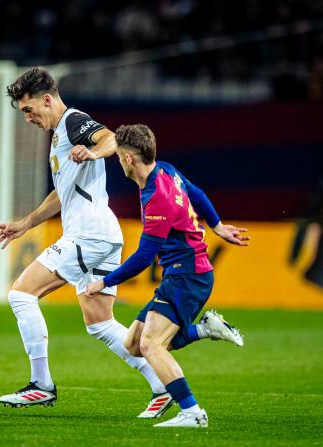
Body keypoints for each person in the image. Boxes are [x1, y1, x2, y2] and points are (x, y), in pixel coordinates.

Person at [0, 67, 182, 417]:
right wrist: (25, 224)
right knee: (100, 324)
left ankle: (41, 385)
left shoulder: (73, 121)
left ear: (47, 100)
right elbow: (61, 195)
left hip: (89, 234)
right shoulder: (59, 135)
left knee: (21, 295)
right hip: (101, 233)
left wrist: (95, 152)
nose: (28, 118)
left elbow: (109, 138)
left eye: (29, 110)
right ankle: (161, 383)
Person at [85, 124, 249, 427]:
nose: (118, 161)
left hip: (187, 276)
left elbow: (144, 258)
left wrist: (105, 281)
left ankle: (193, 412)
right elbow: (196, 193)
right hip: (183, 274)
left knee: (151, 345)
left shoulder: (155, 198)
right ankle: (206, 330)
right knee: (133, 344)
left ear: (129, 159)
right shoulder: (166, 169)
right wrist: (218, 225)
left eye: (119, 157)